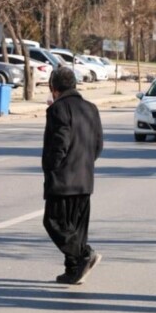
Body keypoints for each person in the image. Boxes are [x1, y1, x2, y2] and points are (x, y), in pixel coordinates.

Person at [42, 67, 104, 285]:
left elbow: (60, 142)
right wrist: (85, 164)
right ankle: (73, 271)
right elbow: (98, 145)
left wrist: (51, 167)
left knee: (54, 222)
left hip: (63, 180)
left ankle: (83, 254)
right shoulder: (91, 108)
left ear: (54, 88)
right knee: (76, 227)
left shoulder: (58, 109)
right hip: (84, 179)